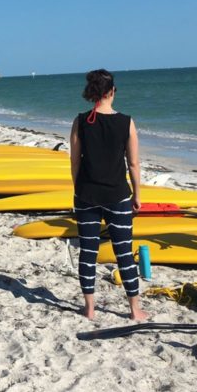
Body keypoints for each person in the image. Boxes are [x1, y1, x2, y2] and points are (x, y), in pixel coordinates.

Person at [70, 69, 147, 321]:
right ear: (112, 92)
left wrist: (77, 188)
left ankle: (90, 308)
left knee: (88, 252)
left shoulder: (80, 121)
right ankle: (134, 309)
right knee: (123, 252)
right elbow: (133, 164)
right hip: (118, 195)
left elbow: (74, 161)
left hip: (86, 194)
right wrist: (137, 193)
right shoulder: (127, 122)